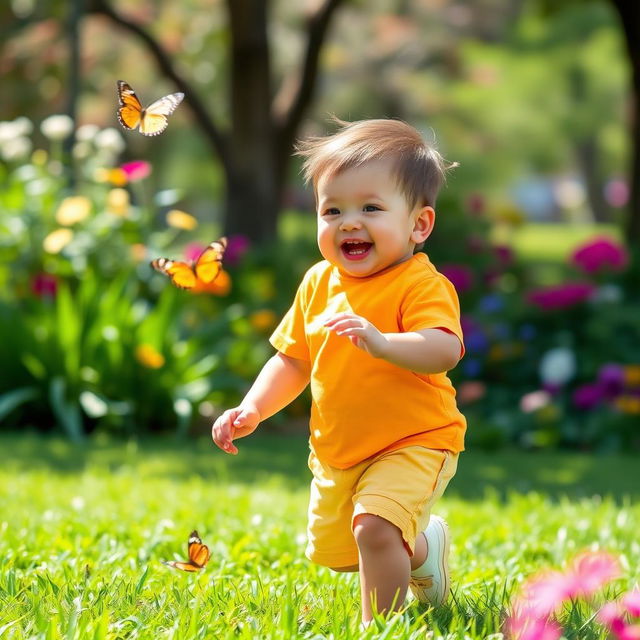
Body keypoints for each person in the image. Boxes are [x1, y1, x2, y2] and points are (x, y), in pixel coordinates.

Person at [212, 118, 466, 625]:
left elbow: (444, 348)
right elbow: (293, 358)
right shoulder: (318, 282)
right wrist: (254, 407)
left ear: (419, 225)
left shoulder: (419, 284)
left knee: (374, 529)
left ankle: (381, 630)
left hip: (416, 438)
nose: (349, 222)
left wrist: (382, 342)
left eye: (371, 208)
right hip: (341, 448)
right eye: (332, 210)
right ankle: (423, 551)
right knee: (351, 551)